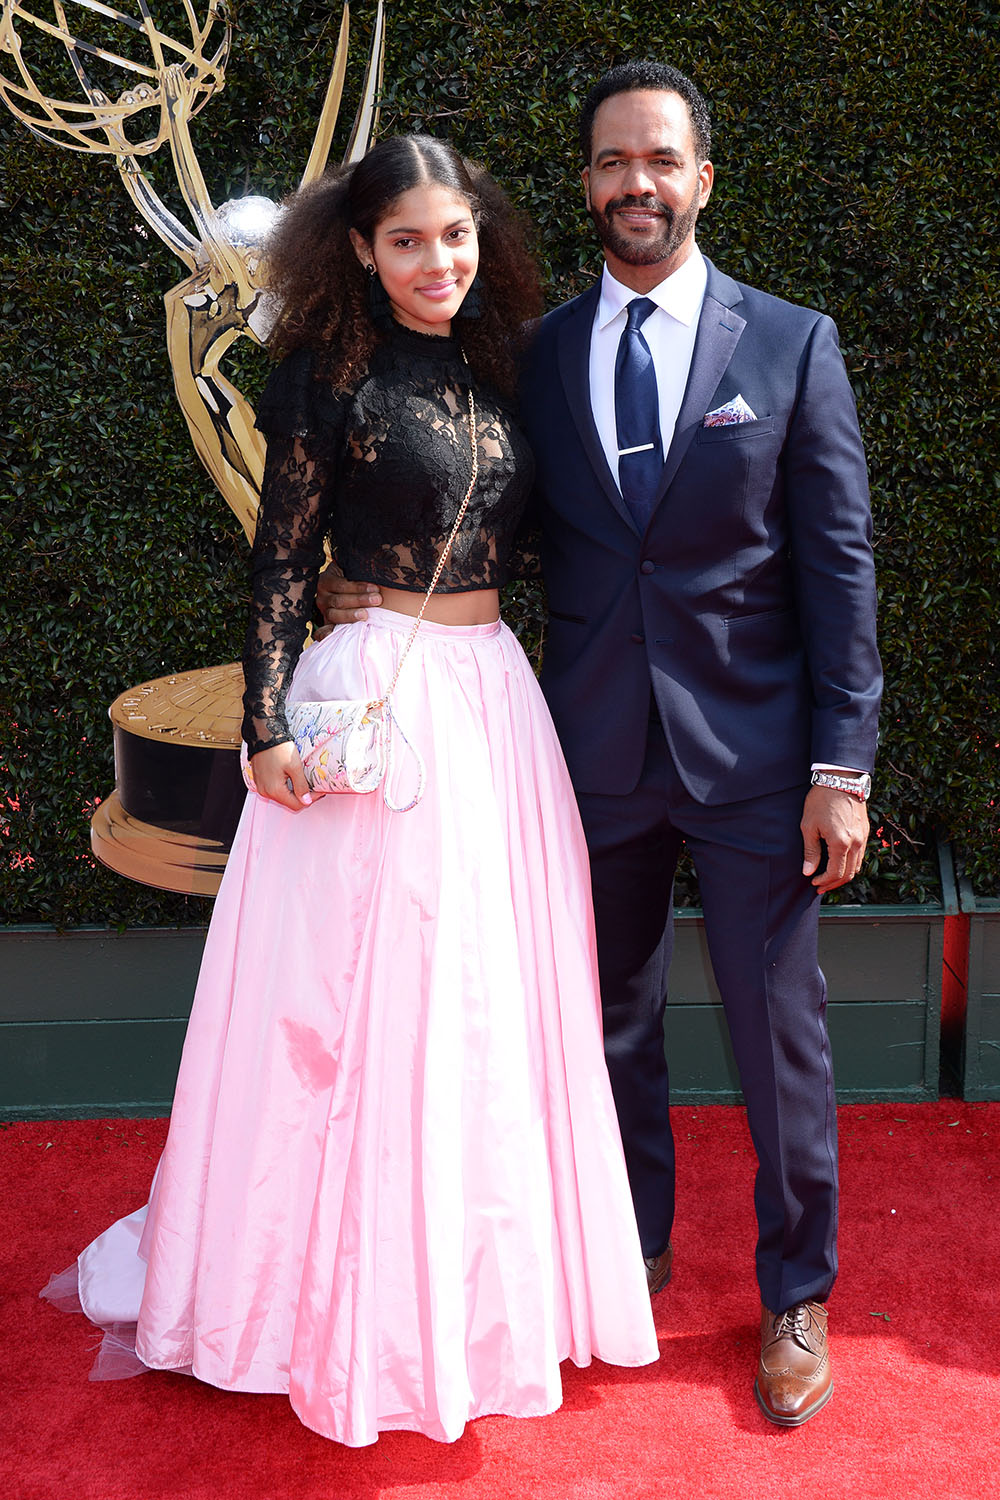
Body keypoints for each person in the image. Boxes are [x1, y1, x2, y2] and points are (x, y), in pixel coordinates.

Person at [43, 135, 658, 1446]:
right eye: (408, 241)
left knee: (488, 1005)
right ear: (359, 252)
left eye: (457, 236)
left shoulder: (507, 366)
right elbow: (279, 562)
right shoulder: (324, 376)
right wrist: (267, 723)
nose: (440, 263)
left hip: (497, 705)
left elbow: (555, 542)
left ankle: (481, 1302)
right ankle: (315, 1309)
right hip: (376, 707)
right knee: (357, 1013)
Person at [320, 68, 883, 1428]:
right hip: (588, 761)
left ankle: (796, 1291)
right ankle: (625, 1256)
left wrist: (842, 766)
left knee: (778, 1040)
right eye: (613, 161)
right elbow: (467, 510)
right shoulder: (538, 354)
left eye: (662, 159)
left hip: (757, 766)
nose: (639, 182)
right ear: (587, 183)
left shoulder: (792, 345)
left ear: (703, 176)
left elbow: (841, 568)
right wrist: (368, 587)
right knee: (606, 1028)